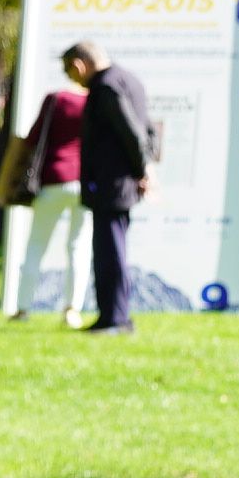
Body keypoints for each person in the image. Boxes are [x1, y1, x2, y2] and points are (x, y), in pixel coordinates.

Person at [62, 40, 152, 333]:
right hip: (121, 181)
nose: (76, 83)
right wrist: (144, 168)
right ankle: (116, 315)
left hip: (111, 183)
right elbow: (149, 130)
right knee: (115, 248)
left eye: (71, 75)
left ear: (79, 65)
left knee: (109, 251)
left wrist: (142, 171)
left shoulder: (105, 86)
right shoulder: (130, 80)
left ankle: (113, 318)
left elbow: (133, 133)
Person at [2, 77, 86, 322]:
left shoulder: (56, 99)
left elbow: (33, 137)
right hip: (82, 181)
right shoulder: (91, 101)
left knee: (36, 244)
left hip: (52, 179)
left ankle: (23, 308)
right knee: (77, 246)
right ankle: (72, 309)